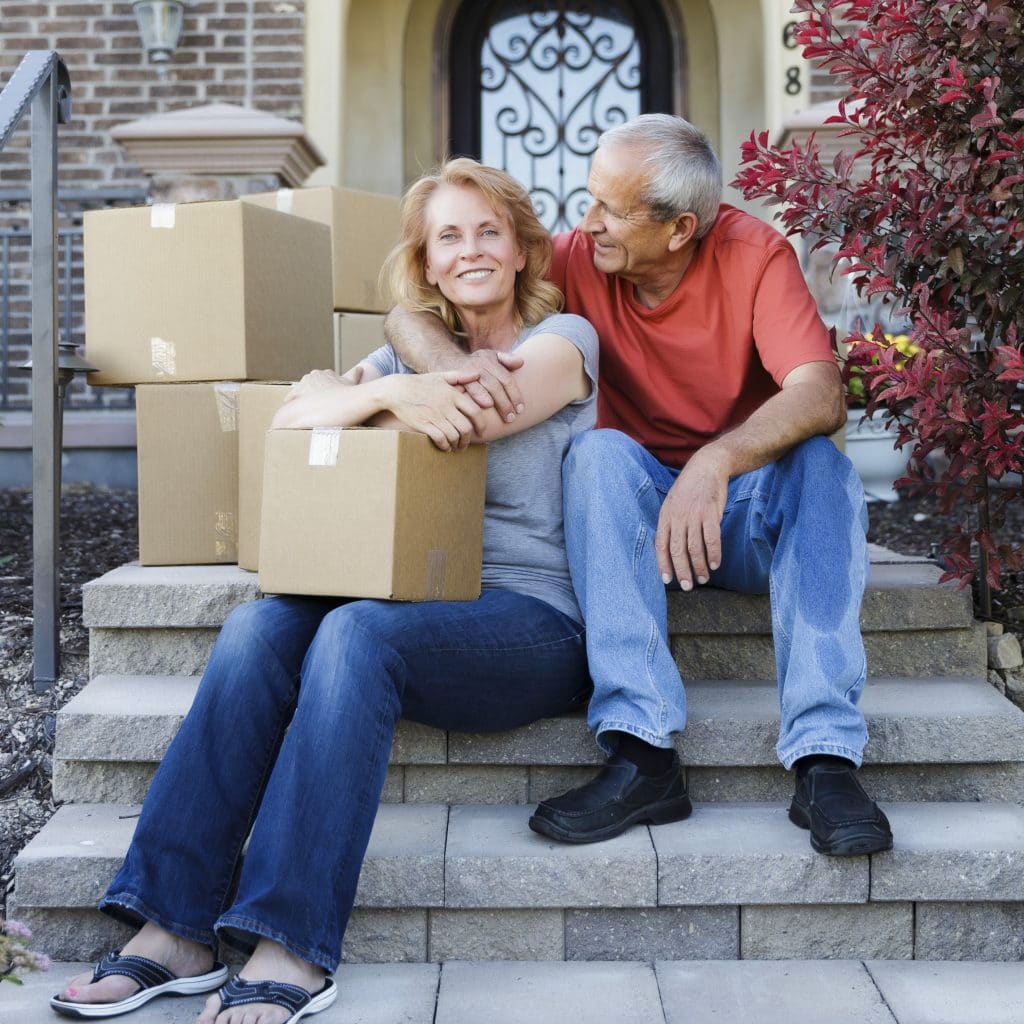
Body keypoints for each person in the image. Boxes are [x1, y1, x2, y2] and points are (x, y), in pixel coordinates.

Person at [51, 158, 599, 1024]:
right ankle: (173, 928)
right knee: (262, 625)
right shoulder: (400, 357)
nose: (471, 251)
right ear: (425, 263)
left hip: (530, 620)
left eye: (489, 231)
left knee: (353, 635)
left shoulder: (564, 341)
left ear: (524, 249)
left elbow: (472, 416)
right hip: (414, 595)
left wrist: (377, 392)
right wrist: (390, 385)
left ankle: (292, 944)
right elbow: (293, 418)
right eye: (448, 237)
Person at [385, 114, 893, 858]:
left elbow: (819, 393)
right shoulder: (580, 257)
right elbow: (419, 304)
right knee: (599, 455)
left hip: (738, 513)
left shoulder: (755, 256)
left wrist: (714, 464)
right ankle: (644, 753)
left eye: (609, 209)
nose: (585, 222)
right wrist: (434, 359)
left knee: (821, 465)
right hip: (628, 518)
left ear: (679, 228)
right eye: (589, 201)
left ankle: (826, 761)